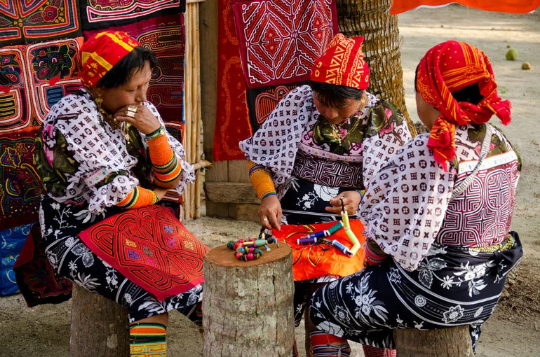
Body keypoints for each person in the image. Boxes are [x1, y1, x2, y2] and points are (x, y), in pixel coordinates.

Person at [308, 40, 523, 354]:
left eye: (419, 92)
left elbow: (383, 234)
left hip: (432, 295)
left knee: (324, 304)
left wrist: (372, 265)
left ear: (433, 96)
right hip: (484, 293)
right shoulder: (500, 141)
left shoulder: (430, 150)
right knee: (374, 302)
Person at [33, 31, 205, 356]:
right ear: (99, 87)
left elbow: (172, 176)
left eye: (146, 85)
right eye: (131, 89)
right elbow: (123, 196)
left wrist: (155, 133)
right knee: (149, 298)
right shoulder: (74, 118)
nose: (142, 97)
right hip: (76, 231)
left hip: (136, 222)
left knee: (205, 285)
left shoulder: (139, 112)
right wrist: (155, 195)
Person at [240, 33, 413, 356]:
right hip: (289, 222)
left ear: (360, 95)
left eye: (339, 106)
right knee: (269, 294)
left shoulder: (384, 120)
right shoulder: (298, 102)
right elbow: (259, 158)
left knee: (330, 290)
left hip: (348, 229)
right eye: (322, 102)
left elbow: (400, 186)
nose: (329, 113)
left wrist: (361, 195)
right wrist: (267, 196)